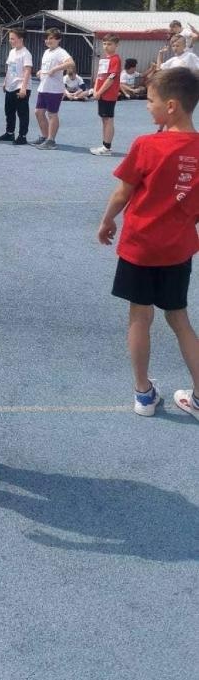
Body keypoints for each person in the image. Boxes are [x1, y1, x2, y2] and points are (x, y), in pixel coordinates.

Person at [97, 67, 199, 422]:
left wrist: (107, 219)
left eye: (151, 101)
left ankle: (143, 392)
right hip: (178, 248)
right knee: (179, 318)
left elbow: (123, 191)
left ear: (171, 106)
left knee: (139, 316)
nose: (146, 106)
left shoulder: (146, 145)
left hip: (140, 245)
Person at [34, 28, 73, 149]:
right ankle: (45, 137)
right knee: (38, 112)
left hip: (54, 89)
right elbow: (47, 67)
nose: (48, 40)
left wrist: (55, 69)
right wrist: (41, 71)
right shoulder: (47, 52)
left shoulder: (61, 52)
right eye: (47, 38)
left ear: (58, 40)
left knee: (52, 114)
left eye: (51, 38)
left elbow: (71, 63)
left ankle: (51, 140)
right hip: (43, 87)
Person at [0, 28, 32, 144]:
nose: (10, 41)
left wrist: (23, 87)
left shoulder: (26, 54)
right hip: (10, 86)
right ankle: (10, 133)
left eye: (13, 38)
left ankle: (22, 136)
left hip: (20, 86)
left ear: (21, 39)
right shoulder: (12, 52)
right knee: (9, 111)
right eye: (10, 38)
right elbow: (9, 69)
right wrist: (6, 82)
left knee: (22, 112)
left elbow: (27, 71)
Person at [90, 34, 122, 156]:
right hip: (101, 94)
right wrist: (95, 90)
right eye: (104, 44)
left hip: (109, 95)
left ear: (116, 45)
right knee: (104, 119)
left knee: (108, 120)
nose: (106, 46)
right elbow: (99, 76)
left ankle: (107, 148)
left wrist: (100, 91)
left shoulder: (115, 59)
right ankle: (104, 145)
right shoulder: (104, 60)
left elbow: (111, 78)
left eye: (109, 44)